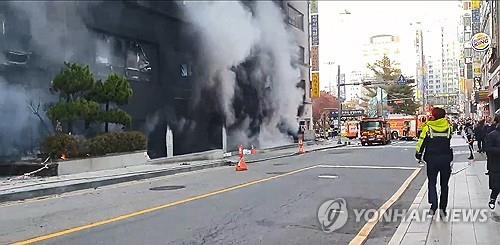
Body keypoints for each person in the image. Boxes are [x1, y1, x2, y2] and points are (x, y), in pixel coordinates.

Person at [415, 107, 453, 216]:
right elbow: (449, 138)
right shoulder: (449, 127)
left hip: (432, 159)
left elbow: (421, 142)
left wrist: (418, 154)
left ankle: (433, 206)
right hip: (446, 159)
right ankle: (443, 209)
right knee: (444, 184)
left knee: (432, 183)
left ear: (434, 116)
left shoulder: (428, 127)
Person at [484, 110, 500, 209]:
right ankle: (493, 198)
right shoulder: (492, 134)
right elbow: (488, 149)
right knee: (497, 185)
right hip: (496, 164)